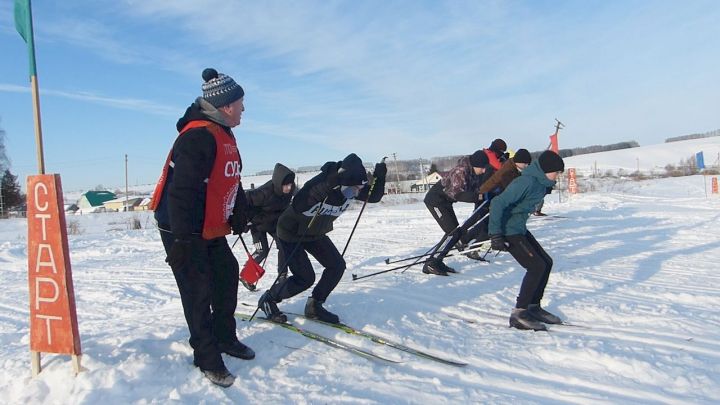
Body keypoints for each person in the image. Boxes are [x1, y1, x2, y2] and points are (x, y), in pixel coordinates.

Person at [150, 68, 254, 388]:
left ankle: (224, 337)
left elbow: (229, 179)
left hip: (206, 224)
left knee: (226, 275)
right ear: (225, 105)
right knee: (198, 291)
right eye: (240, 103)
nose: (243, 109)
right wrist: (182, 240)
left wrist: (238, 210)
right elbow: (182, 192)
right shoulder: (197, 136)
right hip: (181, 225)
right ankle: (206, 356)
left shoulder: (222, 132)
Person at [257, 154, 386, 324]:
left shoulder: (352, 188)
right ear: (340, 182)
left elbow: (373, 196)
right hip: (290, 232)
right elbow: (300, 203)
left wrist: (380, 176)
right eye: (350, 189)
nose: (354, 194)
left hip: (314, 232)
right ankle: (268, 299)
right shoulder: (325, 183)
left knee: (337, 266)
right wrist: (328, 185)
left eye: (357, 189)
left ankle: (314, 305)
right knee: (305, 278)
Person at [487, 150, 565, 331]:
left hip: (519, 228)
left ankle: (533, 307)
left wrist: (546, 187)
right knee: (536, 266)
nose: (557, 176)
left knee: (546, 262)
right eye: (556, 172)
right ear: (546, 169)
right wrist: (495, 234)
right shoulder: (526, 181)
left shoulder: (539, 182)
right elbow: (498, 203)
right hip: (508, 230)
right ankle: (519, 314)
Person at [422, 150, 489, 275]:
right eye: (482, 168)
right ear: (475, 165)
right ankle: (431, 263)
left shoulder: (474, 173)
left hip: (446, 202)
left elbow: (476, 190)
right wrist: (479, 197)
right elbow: (457, 194)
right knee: (452, 233)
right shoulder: (461, 171)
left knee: (455, 233)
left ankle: (437, 261)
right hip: (435, 200)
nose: (484, 171)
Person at [460, 148, 533, 260]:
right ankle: (470, 244)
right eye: (525, 163)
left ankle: (465, 240)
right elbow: (510, 189)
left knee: (485, 222)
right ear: (519, 161)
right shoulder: (510, 171)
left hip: (491, 195)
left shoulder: (513, 166)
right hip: (488, 196)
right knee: (490, 224)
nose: (527, 166)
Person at [241, 163, 296, 291]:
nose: (288, 187)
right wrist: (244, 220)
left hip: (274, 224)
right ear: (278, 183)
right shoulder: (264, 193)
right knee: (262, 251)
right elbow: (244, 200)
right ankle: (246, 276)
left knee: (284, 245)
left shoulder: (291, 189)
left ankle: (282, 277)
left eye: (290, 184)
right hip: (257, 224)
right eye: (285, 185)